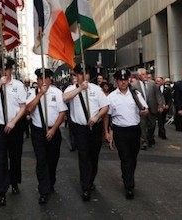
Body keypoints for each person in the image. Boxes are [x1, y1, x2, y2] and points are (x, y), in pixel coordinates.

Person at [63, 64, 109, 201]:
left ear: (89, 75)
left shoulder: (96, 89)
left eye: (85, 73)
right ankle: (85, 187)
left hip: (94, 128)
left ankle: (90, 179)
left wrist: (96, 117)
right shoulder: (72, 88)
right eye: (79, 74)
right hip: (80, 129)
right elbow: (65, 98)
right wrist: (80, 88)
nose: (82, 76)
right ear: (75, 76)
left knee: (93, 156)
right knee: (83, 157)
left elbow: (105, 107)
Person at [0, 57, 27, 207]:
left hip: (15, 126)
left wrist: (14, 121)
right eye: (3, 69)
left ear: (11, 70)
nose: (5, 71)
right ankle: (2, 192)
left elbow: (23, 106)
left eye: (8, 69)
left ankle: (14, 181)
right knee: (1, 159)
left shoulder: (18, 85)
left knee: (15, 157)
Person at [104, 69, 148, 200]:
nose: (123, 82)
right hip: (120, 131)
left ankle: (127, 175)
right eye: (120, 80)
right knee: (125, 157)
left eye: (125, 79)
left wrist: (145, 112)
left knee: (133, 158)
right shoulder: (111, 97)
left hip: (134, 130)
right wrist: (107, 132)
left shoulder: (135, 94)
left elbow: (144, 109)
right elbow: (107, 115)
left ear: (128, 80)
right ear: (116, 81)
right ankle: (129, 186)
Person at [26, 68, 67, 205]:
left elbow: (62, 113)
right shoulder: (32, 93)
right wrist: (39, 95)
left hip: (53, 131)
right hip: (38, 131)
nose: (41, 81)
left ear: (50, 80)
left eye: (44, 79)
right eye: (39, 79)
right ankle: (43, 190)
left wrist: (54, 129)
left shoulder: (57, 93)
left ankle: (51, 181)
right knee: (41, 160)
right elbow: (28, 109)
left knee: (52, 160)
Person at [131, 68, 164, 149]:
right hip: (141, 109)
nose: (145, 76)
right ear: (139, 76)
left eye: (145, 74)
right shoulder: (134, 85)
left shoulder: (152, 83)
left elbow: (158, 95)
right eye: (143, 74)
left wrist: (160, 105)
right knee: (142, 126)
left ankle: (150, 137)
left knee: (152, 125)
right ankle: (143, 142)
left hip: (152, 108)